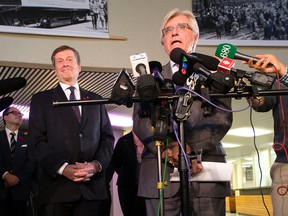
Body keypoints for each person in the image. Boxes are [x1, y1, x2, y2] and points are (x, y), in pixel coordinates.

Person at [133, 8, 232, 216]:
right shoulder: (150, 77)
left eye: (181, 27)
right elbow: (140, 121)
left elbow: (221, 117)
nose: (174, 32)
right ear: (163, 42)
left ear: (195, 37)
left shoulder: (214, 74)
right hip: (161, 173)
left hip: (206, 174)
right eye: (167, 30)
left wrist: (189, 151)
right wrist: (170, 148)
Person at [28, 45, 115, 216]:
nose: (65, 64)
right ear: (55, 70)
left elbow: (107, 139)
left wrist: (96, 165)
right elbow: (36, 141)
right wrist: (63, 167)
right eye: (59, 61)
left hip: (92, 191)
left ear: (79, 67)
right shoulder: (41, 100)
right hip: (56, 192)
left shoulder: (95, 100)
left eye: (69, 59)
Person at [245, 54, 288, 216]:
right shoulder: (279, 82)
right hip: (286, 165)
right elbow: (262, 104)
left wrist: (283, 71)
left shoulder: (284, 75)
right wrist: (254, 88)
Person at [0, 106, 36, 216]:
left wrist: (17, 179)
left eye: (20, 114)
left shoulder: (29, 139)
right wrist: (5, 175)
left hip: (20, 191)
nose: (19, 115)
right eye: (14, 112)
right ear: (5, 117)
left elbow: (32, 162)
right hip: (1, 188)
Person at [108, 130, 146, 216]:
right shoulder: (123, 141)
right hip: (127, 185)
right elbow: (115, 162)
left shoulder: (151, 139)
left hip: (146, 186)